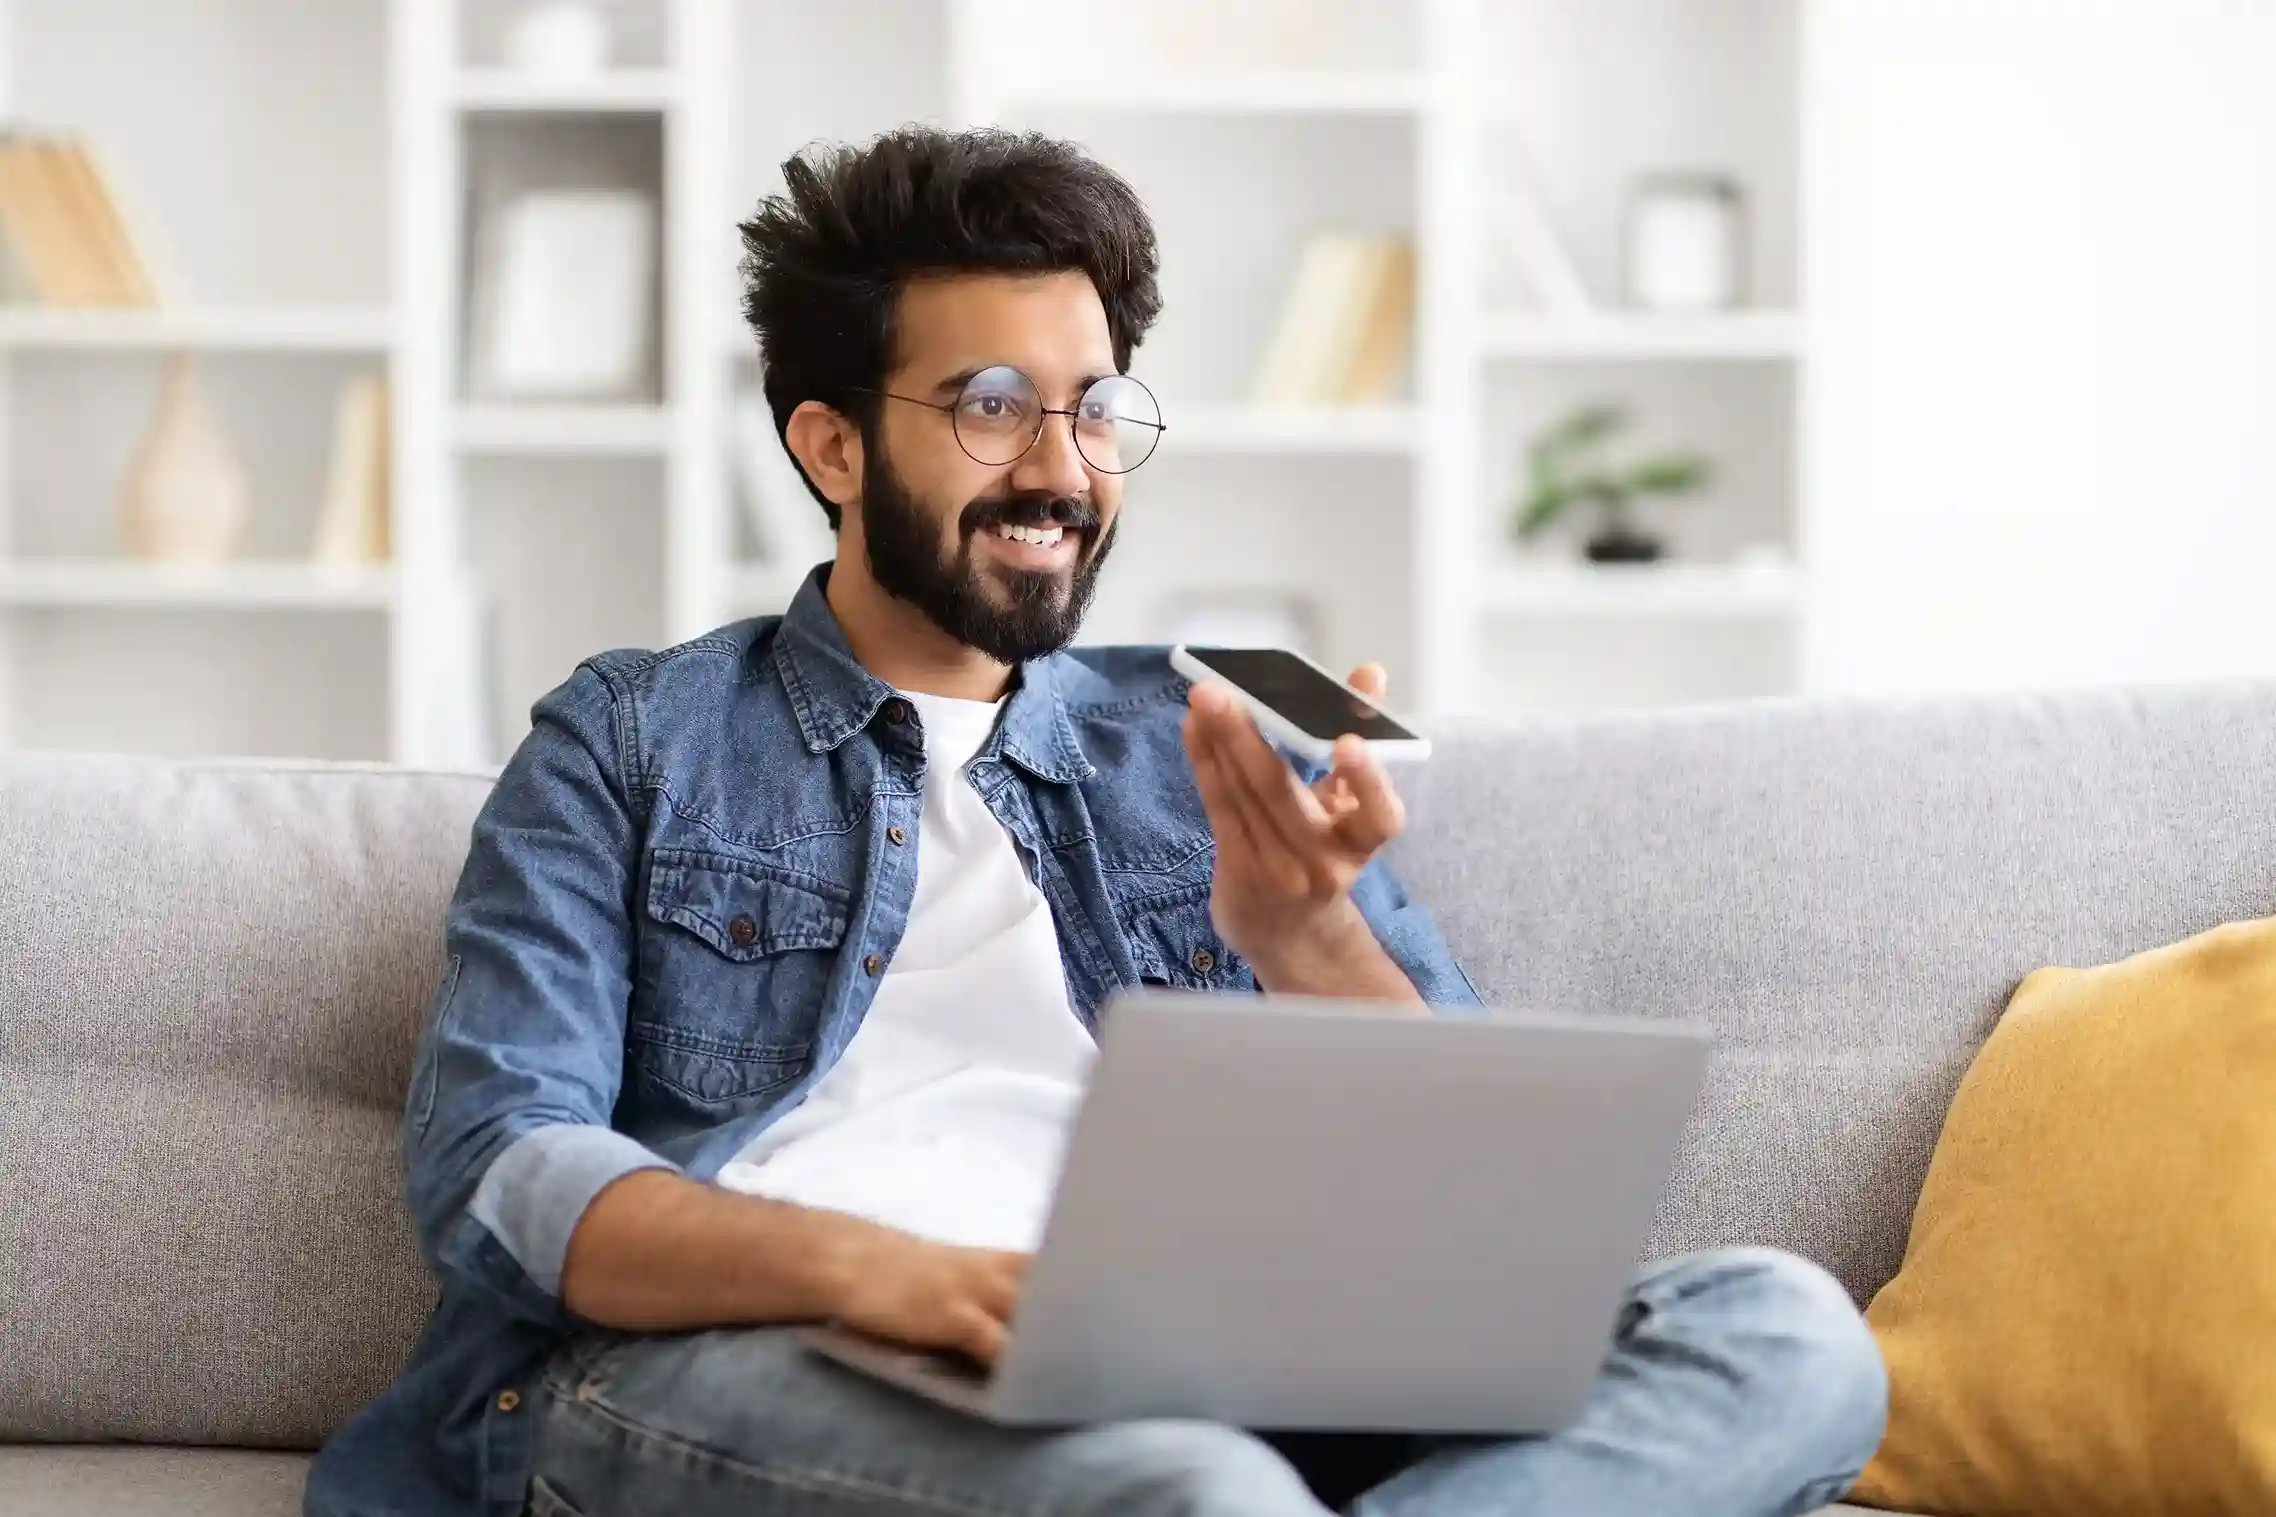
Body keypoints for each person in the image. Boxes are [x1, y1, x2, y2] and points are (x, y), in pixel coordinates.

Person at [304, 126, 1885, 1517]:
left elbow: (1479, 1191)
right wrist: (902, 1276)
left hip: (1210, 1355)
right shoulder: (637, 735)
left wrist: (1313, 939)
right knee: (1190, 1494)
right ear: (831, 442)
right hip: (763, 1358)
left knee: (1788, 1337)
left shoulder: (1227, 720)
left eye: (1096, 410)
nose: (1062, 471)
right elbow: (501, 1171)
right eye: (993, 408)